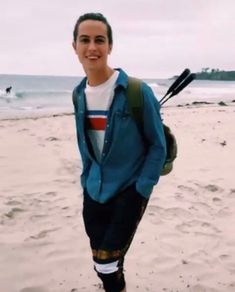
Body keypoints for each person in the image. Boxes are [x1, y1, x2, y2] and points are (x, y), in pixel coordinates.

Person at [72, 12, 166, 292]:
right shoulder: (78, 94)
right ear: (74, 46)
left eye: (99, 40)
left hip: (129, 189)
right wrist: (86, 178)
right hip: (94, 189)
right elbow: (84, 144)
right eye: (84, 40)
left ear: (110, 46)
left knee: (107, 263)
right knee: (100, 258)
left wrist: (142, 188)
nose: (92, 47)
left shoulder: (137, 91)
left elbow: (157, 145)